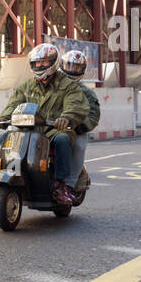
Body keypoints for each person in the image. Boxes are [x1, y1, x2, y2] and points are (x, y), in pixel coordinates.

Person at [0, 43, 89, 205]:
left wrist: (67, 118)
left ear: (53, 62)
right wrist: (4, 118)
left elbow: (75, 104)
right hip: (29, 129)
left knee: (63, 139)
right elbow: (14, 103)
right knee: (6, 137)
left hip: (54, 129)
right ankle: (14, 173)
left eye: (44, 62)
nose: (40, 66)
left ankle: (61, 184)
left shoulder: (68, 85)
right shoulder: (26, 86)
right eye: (37, 63)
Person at [58, 48, 100, 183]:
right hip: (49, 127)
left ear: (82, 70)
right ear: (62, 66)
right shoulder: (52, 86)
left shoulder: (87, 92)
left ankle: (70, 183)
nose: (73, 70)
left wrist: (80, 126)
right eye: (70, 65)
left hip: (74, 130)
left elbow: (93, 115)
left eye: (77, 67)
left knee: (79, 145)